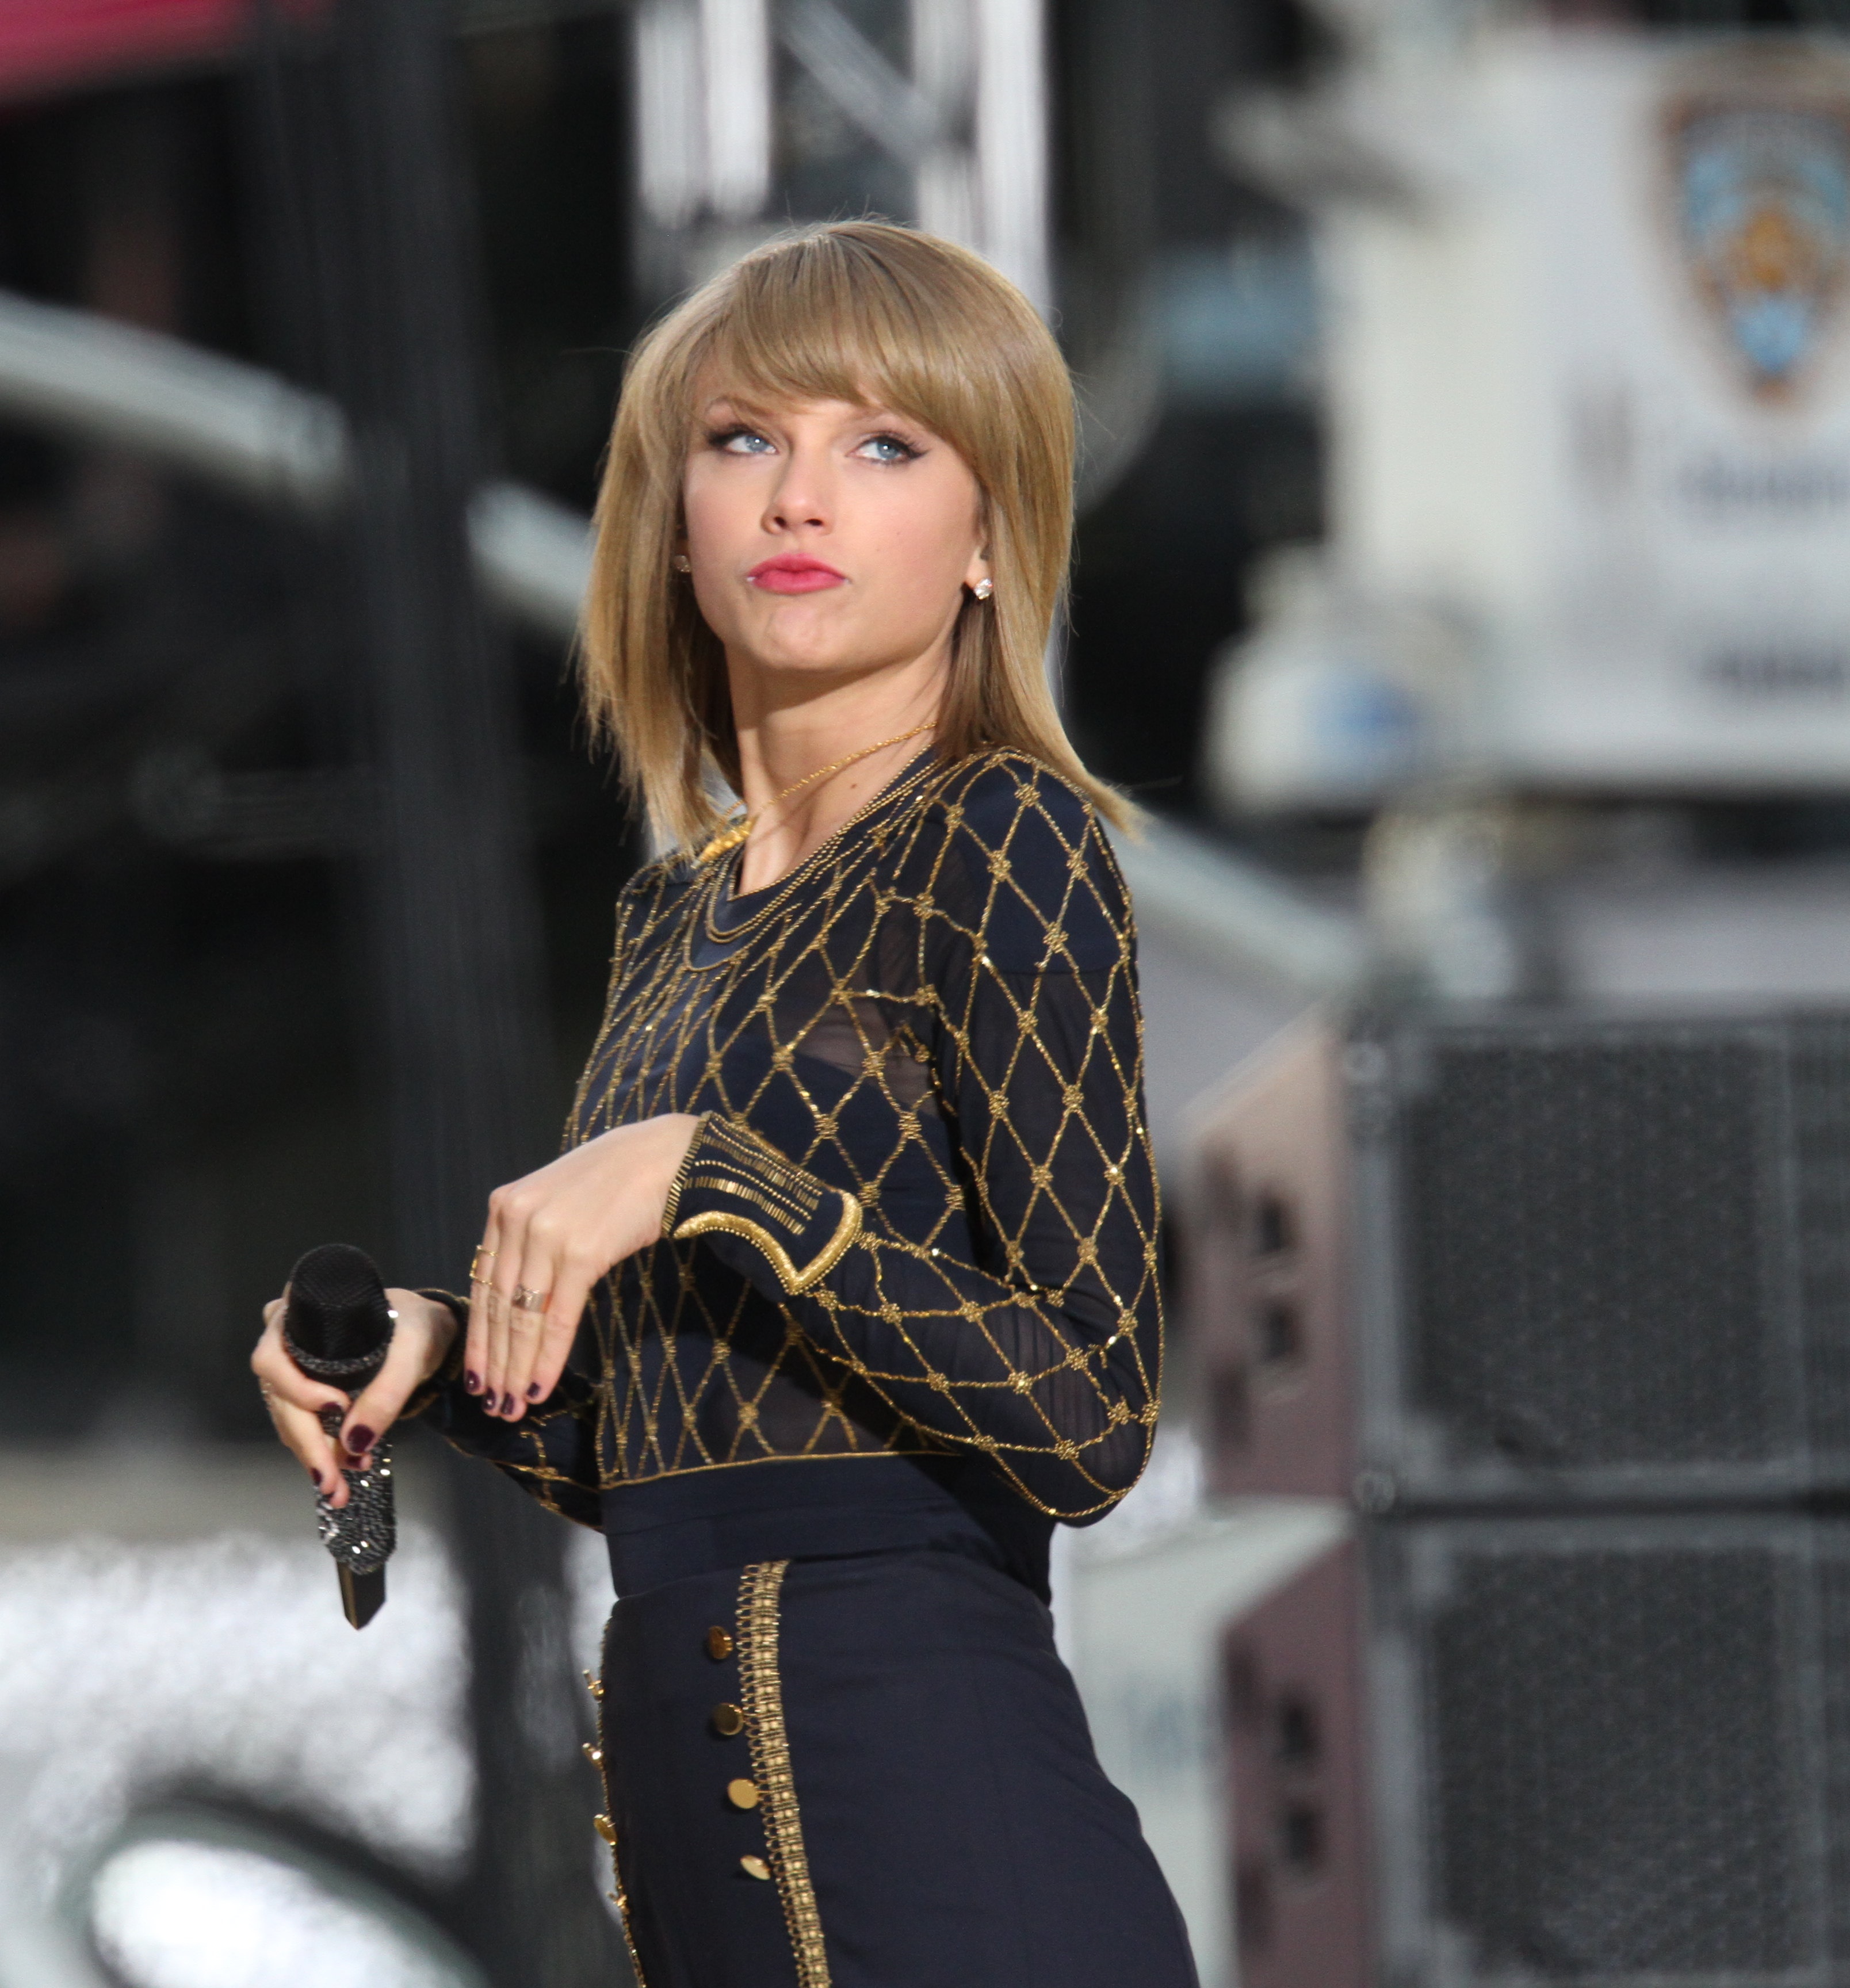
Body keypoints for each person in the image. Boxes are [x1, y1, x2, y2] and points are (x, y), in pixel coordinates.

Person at [253, 223, 1195, 1986]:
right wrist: (434, 1352)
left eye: (886, 445)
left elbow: (1090, 1415)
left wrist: (715, 1176)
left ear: (990, 540)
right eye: (746, 438)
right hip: (705, 1858)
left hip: (945, 1829)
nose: (798, 497)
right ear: (675, 524)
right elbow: (676, 1447)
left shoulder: (1004, 837)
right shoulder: (676, 915)